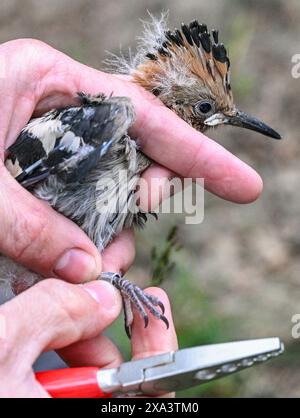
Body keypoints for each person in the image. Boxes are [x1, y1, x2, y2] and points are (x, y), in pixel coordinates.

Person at [0, 39, 262, 397]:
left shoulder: (137, 168)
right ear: (177, 104)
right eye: (204, 108)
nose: (213, 118)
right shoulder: (107, 122)